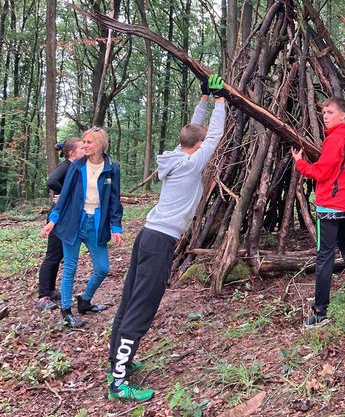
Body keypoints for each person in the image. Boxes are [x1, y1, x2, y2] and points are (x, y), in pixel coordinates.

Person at [107, 74, 226, 402]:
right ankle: (118, 383)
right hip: (160, 241)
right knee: (141, 308)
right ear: (198, 148)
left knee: (130, 300)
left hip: (146, 235)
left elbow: (194, 130)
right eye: (201, 144)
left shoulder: (177, 156)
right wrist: (220, 100)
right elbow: (214, 135)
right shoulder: (191, 163)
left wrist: (202, 100)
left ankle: (119, 364)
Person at [292, 96, 345, 329]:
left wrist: (300, 163)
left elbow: (321, 172)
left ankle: (320, 311)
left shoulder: (335, 140)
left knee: (324, 255)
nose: (325, 116)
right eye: (324, 113)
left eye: (330, 112)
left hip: (330, 206)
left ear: (342, 115)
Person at [41, 127, 123, 328]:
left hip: (96, 223)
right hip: (73, 222)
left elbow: (114, 200)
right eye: (83, 142)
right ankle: (67, 310)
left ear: (100, 144)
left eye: (89, 142)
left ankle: (85, 301)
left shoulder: (112, 168)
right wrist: (53, 220)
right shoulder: (76, 166)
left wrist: (116, 226)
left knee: (103, 268)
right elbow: (65, 195)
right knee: (70, 267)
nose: (85, 145)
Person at [37, 138, 85, 310]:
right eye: (81, 147)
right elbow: (51, 181)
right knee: (52, 255)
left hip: (63, 216)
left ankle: (50, 291)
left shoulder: (75, 167)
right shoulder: (66, 166)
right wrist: (65, 193)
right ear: (72, 153)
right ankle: (43, 295)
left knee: (57, 255)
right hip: (56, 217)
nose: (84, 149)